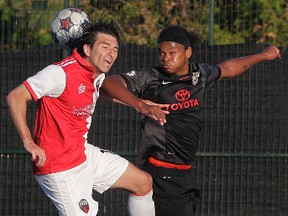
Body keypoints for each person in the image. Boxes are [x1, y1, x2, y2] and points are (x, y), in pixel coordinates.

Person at [100, 25, 281, 216]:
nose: (166, 58)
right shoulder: (151, 77)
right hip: (160, 171)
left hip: (185, 173)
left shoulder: (199, 75)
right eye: (161, 53)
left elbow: (229, 67)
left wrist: (262, 56)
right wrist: (140, 104)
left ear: (188, 52)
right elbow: (109, 83)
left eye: (172, 52)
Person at [6, 19, 169, 216]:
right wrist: (29, 142)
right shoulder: (59, 73)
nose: (111, 53)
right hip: (59, 168)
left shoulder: (96, 74)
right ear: (87, 49)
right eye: (105, 46)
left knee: (143, 183)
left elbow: (98, 93)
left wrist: (142, 105)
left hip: (82, 154)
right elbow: (15, 96)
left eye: (115, 49)